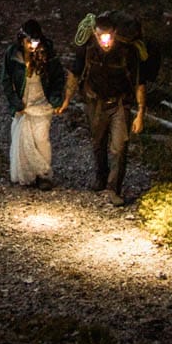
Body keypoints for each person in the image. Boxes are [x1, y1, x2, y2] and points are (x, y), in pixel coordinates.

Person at [57, 11, 147, 206]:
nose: (105, 41)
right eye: (101, 37)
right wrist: (66, 100)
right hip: (95, 101)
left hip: (120, 104)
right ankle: (101, 177)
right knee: (98, 142)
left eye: (109, 37)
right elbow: (74, 73)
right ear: (95, 34)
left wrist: (140, 113)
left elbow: (139, 83)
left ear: (114, 33)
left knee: (119, 146)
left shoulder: (127, 52)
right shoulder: (87, 49)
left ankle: (114, 189)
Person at [1, 18, 64, 189]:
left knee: (41, 139)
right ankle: (27, 173)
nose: (32, 45)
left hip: (42, 103)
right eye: (28, 41)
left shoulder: (47, 53)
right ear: (22, 39)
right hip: (23, 104)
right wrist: (15, 103)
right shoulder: (12, 54)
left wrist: (56, 99)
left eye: (35, 41)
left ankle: (43, 175)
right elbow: (6, 80)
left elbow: (58, 77)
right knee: (21, 140)